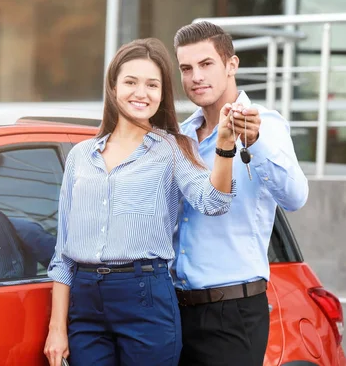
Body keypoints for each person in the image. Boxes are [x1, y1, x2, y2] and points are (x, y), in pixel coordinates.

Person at [43, 37, 241, 366]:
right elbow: (63, 254)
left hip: (146, 296)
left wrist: (225, 147)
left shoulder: (173, 149)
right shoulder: (81, 156)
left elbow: (214, 202)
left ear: (162, 94)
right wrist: (56, 328)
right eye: (131, 82)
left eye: (152, 85)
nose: (141, 93)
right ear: (113, 86)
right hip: (86, 302)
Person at [172, 21, 309, 365]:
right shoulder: (181, 137)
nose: (196, 77)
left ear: (231, 65)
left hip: (232, 313)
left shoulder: (267, 124)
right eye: (186, 68)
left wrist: (255, 142)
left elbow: (295, 198)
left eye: (206, 64)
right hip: (175, 310)